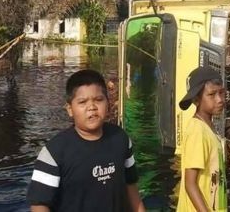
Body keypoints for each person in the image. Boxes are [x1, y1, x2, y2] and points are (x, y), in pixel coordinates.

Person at [27, 69, 145, 212]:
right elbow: (39, 205)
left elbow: (131, 186)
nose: (92, 108)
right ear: (70, 109)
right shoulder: (54, 152)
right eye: (82, 102)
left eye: (98, 100)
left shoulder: (121, 139)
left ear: (108, 103)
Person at [176, 66, 228, 212]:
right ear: (196, 100)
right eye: (212, 95)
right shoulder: (197, 131)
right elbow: (190, 184)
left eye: (221, 93)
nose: (220, 100)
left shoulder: (208, 128)